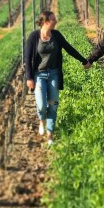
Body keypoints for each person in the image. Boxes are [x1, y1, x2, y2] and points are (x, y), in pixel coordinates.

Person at [25, 10, 90, 145]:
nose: (56, 21)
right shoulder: (33, 37)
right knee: (42, 105)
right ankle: (42, 121)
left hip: (54, 74)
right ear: (46, 21)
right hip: (39, 75)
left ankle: (50, 136)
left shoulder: (56, 35)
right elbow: (27, 58)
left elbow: (69, 48)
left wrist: (84, 61)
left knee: (53, 105)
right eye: (53, 19)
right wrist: (29, 77)